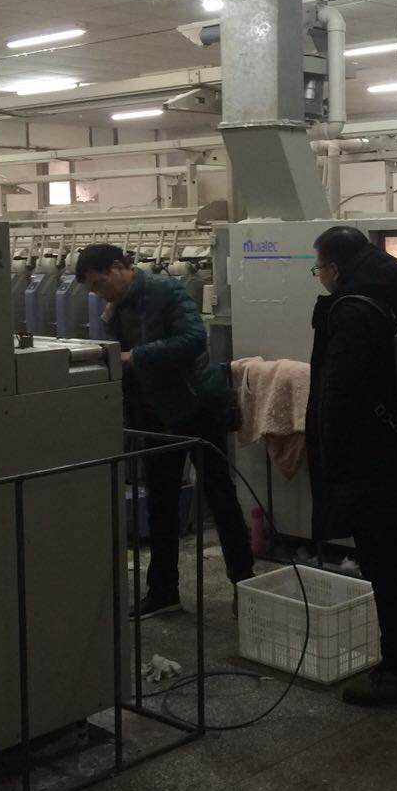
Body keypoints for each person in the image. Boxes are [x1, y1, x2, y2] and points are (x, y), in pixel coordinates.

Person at [307, 226, 397, 707]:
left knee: (387, 568)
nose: (320, 278)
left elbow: (340, 396)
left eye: (319, 269)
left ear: (335, 267)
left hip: (373, 463)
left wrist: (332, 463)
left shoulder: (352, 310)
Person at [76, 243, 254, 619]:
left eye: (98, 283)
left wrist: (136, 356)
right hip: (155, 415)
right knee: (160, 503)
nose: (98, 293)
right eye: (92, 289)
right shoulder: (117, 307)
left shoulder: (165, 290)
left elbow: (193, 340)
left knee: (221, 498)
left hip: (197, 408)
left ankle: (245, 586)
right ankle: (162, 592)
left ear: (117, 267)